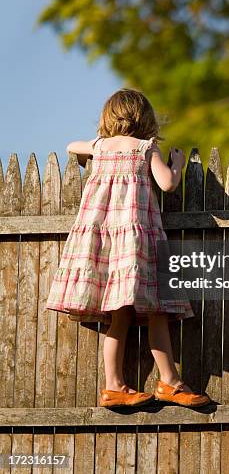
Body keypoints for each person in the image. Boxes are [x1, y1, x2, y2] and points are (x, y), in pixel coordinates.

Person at [46, 88, 210, 408]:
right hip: (138, 242)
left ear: (108, 117)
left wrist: (91, 150)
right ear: (144, 118)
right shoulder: (146, 148)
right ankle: (169, 381)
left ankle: (114, 386)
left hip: (106, 245)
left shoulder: (100, 146)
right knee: (157, 310)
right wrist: (176, 163)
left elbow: (70, 146)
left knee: (117, 319)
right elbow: (168, 184)